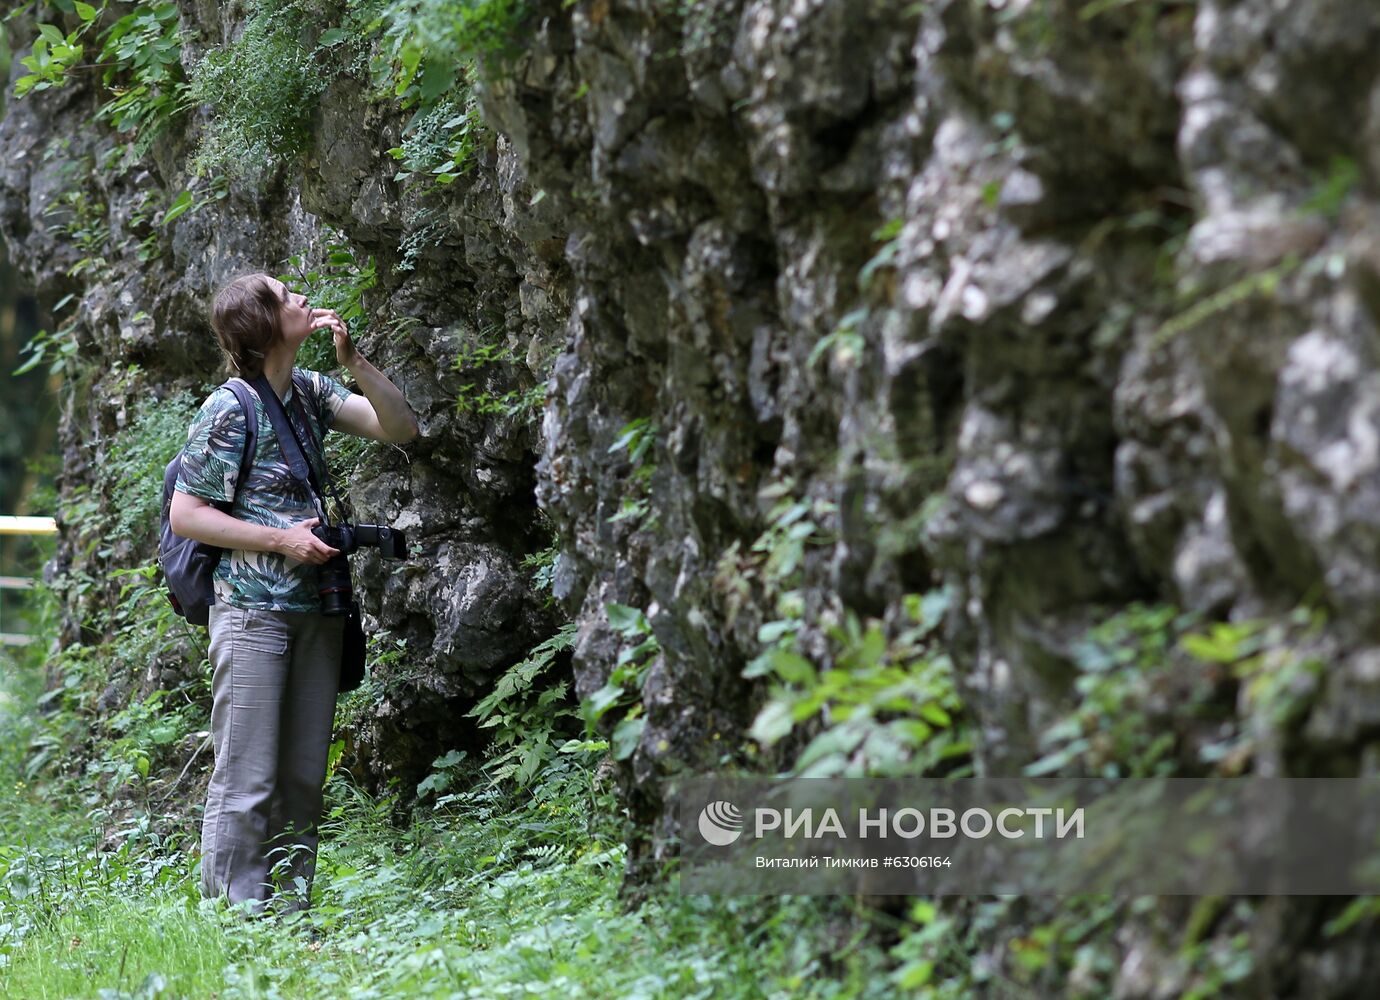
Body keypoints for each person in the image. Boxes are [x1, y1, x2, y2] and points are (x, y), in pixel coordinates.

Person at [169, 271, 419, 916]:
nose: (302, 298)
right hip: (252, 613)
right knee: (247, 777)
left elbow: (399, 428)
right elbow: (187, 514)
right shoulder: (229, 408)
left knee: (303, 777)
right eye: (285, 298)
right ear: (261, 326)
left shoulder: (308, 391)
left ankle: (288, 915)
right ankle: (236, 918)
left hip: (319, 609)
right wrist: (280, 540)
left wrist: (355, 360)